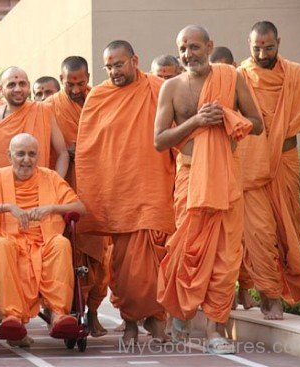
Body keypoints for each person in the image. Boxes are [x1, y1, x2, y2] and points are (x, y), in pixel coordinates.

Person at [154, 25, 262, 353]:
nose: (188, 54)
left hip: (225, 176)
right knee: (187, 250)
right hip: (189, 177)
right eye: (183, 48)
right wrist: (196, 122)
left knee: (225, 256)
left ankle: (216, 328)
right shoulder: (171, 88)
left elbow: (257, 123)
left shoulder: (232, 77)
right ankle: (181, 315)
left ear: (209, 46)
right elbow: (159, 140)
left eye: (194, 47)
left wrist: (226, 115)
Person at [75, 40, 176, 344]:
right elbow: (88, 150)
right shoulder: (98, 98)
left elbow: (176, 130)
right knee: (124, 267)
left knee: (157, 258)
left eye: (119, 64)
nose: (114, 71)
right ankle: (130, 320)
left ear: (135, 60)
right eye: (108, 66)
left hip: (155, 185)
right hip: (118, 193)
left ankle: (157, 320)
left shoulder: (158, 88)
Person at [0, 133, 86, 347]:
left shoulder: (50, 177)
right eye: (20, 154)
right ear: (9, 155)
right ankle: (11, 316)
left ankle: (59, 314)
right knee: (0, 245)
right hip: (10, 240)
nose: (26, 159)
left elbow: (79, 207)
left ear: (38, 156)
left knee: (61, 244)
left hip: (45, 241)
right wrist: (5, 207)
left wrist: (52, 208)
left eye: (32, 154)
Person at [237, 21, 300, 320]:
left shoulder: (297, 74)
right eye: (256, 47)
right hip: (251, 165)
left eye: (268, 47)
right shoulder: (239, 76)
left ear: (279, 43)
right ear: (248, 42)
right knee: (259, 233)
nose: (262, 53)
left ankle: (281, 288)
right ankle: (270, 298)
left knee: (288, 232)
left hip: (285, 158)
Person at [44, 56, 110, 337]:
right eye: (69, 83)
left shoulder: (100, 100)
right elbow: (43, 147)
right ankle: (66, 311)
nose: (75, 89)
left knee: (98, 255)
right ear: (61, 79)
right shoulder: (49, 108)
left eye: (80, 83)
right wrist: (65, 151)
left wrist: (85, 150)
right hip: (65, 187)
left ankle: (93, 310)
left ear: (87, 79)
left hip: (97, 187)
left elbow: (112, 137)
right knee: (67, 251)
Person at [208, 45, 258, 311]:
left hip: (237, 169)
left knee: (236, 240)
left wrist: (230, 117)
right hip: (198, 175)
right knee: (201, 244)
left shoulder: (237, 83)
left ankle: (242, 290)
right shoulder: (186, 87)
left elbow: (256, 124)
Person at [0, 66, 68, 187]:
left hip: (38, 189)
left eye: (22, 84)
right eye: (11, 85)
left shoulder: (44, 111)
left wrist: (55, 184)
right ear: (0, 89)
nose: (17, 89)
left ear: (28, 86)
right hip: (0, 189)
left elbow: (63, 154)